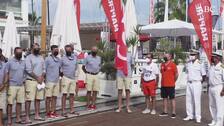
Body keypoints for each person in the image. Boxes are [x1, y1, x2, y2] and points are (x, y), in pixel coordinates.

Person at [183, 50, 206, 123]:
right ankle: (190, 115)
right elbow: (185, 71)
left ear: (197, 55)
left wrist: (199, 82)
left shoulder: (200, 63)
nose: (191, 55)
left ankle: (198, 117)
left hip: (197, 83)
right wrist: (185, 63)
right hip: (189, 83)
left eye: (193, 54)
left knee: (197, 101)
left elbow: (204, 75)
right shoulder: (188, 63)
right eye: (191, 54)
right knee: (188, 100)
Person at [25, 43, 46, 123]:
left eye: (38, 48)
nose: (37, 49)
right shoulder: (28, 57)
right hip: (31, 81)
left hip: (40, 81)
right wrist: (37, 78)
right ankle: (27, 117)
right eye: (35, 48)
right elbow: (29, 70)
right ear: (32, 49)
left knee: (38, 99)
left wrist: (42, 76)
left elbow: (44, 68)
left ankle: (37, 115)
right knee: (29, 99)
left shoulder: (41, 57)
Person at [6, 47, 26, 125]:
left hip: (21, 85)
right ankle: (9, 119)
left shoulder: (23, 62)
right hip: (12, 86)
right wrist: (7, 85)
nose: (19, 54)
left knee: (19, 103)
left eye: (20, 53)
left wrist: (24, 80)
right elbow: (6, 73)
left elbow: (25, 72)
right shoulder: (9, 62)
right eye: (18, 52)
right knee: (10, 103)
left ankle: (18, 118)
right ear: (14, 53)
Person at [61, 44, 79, 117]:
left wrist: (76, 77)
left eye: (69, 50)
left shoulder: (75, 57)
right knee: (64, 94)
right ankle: (63, 111)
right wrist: (62, 75)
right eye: (66, 50)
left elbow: (76, 67)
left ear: (72, 50)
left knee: (72, 94)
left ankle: (72, 110)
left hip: (73, 78)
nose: (68, 51)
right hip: (65, 78)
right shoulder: (63, 58)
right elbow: (60, 67)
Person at [159, 53, 178, 118]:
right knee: (164, 98)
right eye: (164, 56)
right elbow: (161, 72)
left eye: (166, 56)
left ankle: (173, 112)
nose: (165, 57)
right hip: (163, 85)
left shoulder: (173, 64)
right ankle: (165, 111)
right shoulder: (162, 64)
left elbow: (176, 75)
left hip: (171, 85)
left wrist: (173, 81)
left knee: (172, 99)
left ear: (170, 57)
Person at [207, 52, 224, 126]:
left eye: (215, 57)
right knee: (212, 105)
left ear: (219, 58)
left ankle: (219, 122)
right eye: (213, 57)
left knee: (219, 105)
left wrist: (223, 90)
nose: (213, 58)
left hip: (218, 87)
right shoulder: (212, 66)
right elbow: (209, 78)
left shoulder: (222, 67)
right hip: (211, 87)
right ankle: (214, 120)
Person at [45, 45, 61, 118]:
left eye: (57, 50)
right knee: (48, 98)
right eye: (55, 50)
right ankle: (48, 112)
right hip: (49, 81)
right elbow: (44, 70)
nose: (56, 51)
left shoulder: (58, 59)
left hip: (56, 81)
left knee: (55, 97)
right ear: (51, 50)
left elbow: (60, 69)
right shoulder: (47, 59)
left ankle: (53, 111)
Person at [83, 46, 101, 110]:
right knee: (89, 90)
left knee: (95, 91)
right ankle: (88, 105)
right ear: (91, 50)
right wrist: (87, 73)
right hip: (89, 75)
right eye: (93, 50)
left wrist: (98, 71)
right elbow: (83, 66)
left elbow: (99, 66)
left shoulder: (99, 58)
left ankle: (93, 104)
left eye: (96, 50)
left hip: (96, 75)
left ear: (97, 51)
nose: (94, 51)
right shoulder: (87, 57)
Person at [0, 54, 7, 126]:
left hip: (2, 88)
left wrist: (3, 85)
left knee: (1, 107)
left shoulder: (4, 65)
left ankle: (1, 123)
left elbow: (7, 75)